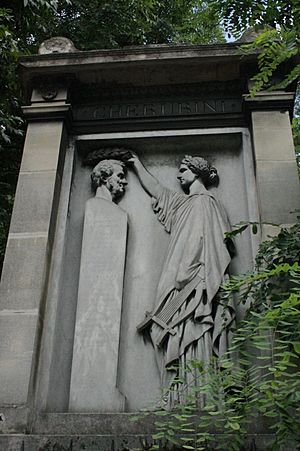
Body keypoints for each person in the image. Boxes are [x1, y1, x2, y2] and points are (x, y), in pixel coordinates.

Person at [129, 153, 235, 402]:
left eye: (183, 170)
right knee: (176, 334)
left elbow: (211, 245)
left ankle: (201, 399)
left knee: (196, 331)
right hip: (179, 281)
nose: (178, 175)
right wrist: (136, 164)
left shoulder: (207, 203)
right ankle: (180, 399)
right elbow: (158, 190)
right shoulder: (182, 204)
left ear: (196, 172)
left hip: (198, 282)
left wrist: (191, 278)